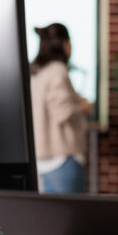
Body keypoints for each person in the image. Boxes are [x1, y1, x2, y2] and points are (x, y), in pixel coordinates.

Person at [29, 23, 92, 193]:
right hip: (62, 159)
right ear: (64, 44)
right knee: (72, 217)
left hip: (44, 159)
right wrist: (82, 106)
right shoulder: (58, 71)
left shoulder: (37, 72)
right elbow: (61, 112)